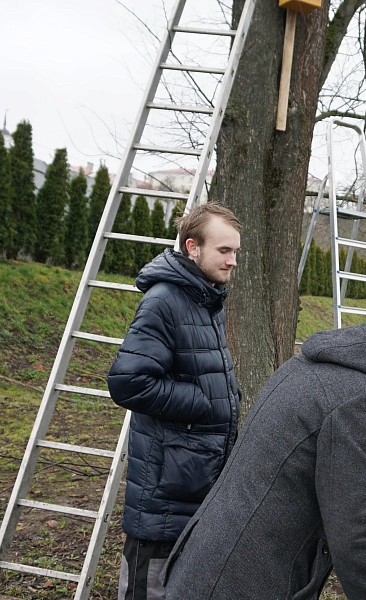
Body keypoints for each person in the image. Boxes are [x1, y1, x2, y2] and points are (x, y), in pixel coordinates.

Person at [161, 312, 366, 599]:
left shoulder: (310, 363)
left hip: (208, 560)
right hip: (246, 581)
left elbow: (291, 457)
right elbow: (354, 537)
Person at [107, 202, 242, 600]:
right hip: (167, 487)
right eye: (224, 250)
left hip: (194, 478)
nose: (233, 261)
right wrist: (202, 402)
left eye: (236, 252)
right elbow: (128, 383)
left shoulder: (205, 298)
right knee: (148, 589)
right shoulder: (165, 300)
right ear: (192, 247)